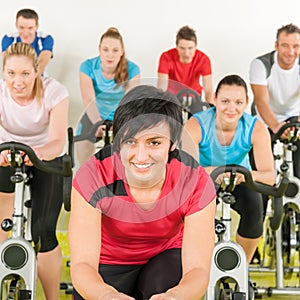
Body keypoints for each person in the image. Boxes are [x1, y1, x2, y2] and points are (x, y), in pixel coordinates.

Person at [69, 85, 216, 299]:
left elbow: (198, 271)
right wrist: (107, 296)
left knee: (165, 283)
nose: (141, 156)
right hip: (107, 263)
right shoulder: (93, 175)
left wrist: (174, 296)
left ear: (172, 143)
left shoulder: (195, 181)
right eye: (130, 141)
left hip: (166, 260)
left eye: (154, 143)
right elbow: (82, 265)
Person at [0, 42, 69, 299]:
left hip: (45, 156)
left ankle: (51, 297)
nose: (18, 81)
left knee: (44, 233)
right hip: (7, 153)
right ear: (4, 72)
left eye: (25, 74)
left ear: (37, 71)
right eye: (11, 74)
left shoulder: (54, 92)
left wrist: (34, 155)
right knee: (0, 224)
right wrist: (3, 153)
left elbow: (57, 141)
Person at [182, 74, 275, 264]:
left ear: (247, 103)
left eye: (238, 102)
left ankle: (243, 267)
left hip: (240, 179)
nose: (231, 108)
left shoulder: (255, 128)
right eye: (225, 101)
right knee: (190, 209)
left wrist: (245, 175)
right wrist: (215, 171)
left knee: (255, 207)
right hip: (203, 179)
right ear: (214, 99)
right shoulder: (195, 125)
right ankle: (195, 266)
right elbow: (185, 172)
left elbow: (269, 176)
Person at [76, 27, 140, 164]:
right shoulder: (87, 67)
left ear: (122, 51)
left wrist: (119, 123)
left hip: (122, 115)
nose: (110, 55)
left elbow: (129, 102)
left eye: (115, 50)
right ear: (99, 49)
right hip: (94, 114)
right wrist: (97, 123)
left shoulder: (133, 69)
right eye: (105, 50)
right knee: (81, 149)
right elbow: (88, 99)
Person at [249, 23, 300, 178]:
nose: (290, 52)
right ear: (276, 46)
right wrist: (276, 126)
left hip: (294, 114)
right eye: (285, 45)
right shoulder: (260, 64)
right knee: (261, 166)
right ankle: (262, 199)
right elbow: (261, 101)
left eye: (296, 46)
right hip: (265, 117)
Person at [157, 25, 213, 105]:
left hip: (194, 98)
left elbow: (208, 90)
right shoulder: (166, 57)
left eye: (190, 48)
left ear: (196, 47)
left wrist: (211, 109)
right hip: (172, 99)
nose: (186, 53)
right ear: (176, 47)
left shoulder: (204, 59)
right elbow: (162, 87)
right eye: (182, 48)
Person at [1, 8, 54, 77]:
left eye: (30, 28)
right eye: (21, 27)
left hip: (38, 79)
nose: (25, 33)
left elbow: (41, 64)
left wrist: (28, 82)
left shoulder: (45, 39)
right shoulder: (9, 39)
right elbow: (8, 65)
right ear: (16, 25)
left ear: (37, 26)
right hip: (14, 80)